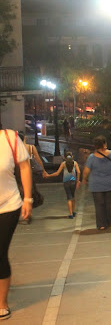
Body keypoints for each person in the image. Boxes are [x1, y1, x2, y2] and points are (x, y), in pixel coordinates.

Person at [1, 128, 33, 320]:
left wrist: (28, 198)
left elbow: (25, 166)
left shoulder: (9, 138)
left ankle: (2, 303)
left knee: (0, 252)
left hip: (7, 205)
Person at [79, 136, 111, 230]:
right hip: (110, 183)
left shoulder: (91, 157)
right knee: (109, 204)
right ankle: (109, 223)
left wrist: (84, 179)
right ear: (104, 144)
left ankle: (101, 224)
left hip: (96, 185)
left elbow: (86, 170)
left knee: (99, 204)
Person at [44, 152, 81, 218]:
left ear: (64, 157)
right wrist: (78, 181)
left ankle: (70, 214)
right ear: (72, 156)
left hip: (66, 182)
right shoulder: (75, 163)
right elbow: (78, 172)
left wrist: (48, 175)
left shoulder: (63, 164)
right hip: (73, 182)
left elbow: (57, 173)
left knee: (69, 197)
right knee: (73, 196)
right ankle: (73, 212)